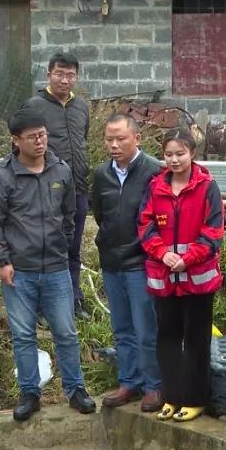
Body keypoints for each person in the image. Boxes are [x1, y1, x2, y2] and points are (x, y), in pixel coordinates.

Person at [0, 108, 95, 421]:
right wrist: (2, 260)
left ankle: (75, 389)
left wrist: (63, 245)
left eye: (43, 135)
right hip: (19, 271)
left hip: (56, 268)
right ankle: (29, 392)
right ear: (16, 140)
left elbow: (70, 215)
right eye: (32, 137)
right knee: (23, 335)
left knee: (66, 332)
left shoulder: (61, 171)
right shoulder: (2, 177)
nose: (40, 141)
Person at [138, 128, 224, 423]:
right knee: (167, 338)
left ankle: (195, 399)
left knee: (197, 340)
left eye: (180, 154)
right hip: (165, 278)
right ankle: (171, 396)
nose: (174, 160)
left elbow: (213, 232)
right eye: (169, 155)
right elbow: (145, 225)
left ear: (192, 154)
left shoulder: (207, 187)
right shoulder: (155, 186)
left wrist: (187, 259)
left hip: (197, 279)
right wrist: (162, 253)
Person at [91, 114, 164, 413]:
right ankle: (129, 381)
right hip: (111, 261)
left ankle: (153, 385)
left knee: (146, 328)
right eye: (109, 139)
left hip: (141, 261)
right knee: (122, 327)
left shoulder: (154, 171)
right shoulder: (101, 174)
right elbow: (100, 214)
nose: (114, 145)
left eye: (121, 138)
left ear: (137, 138)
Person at [22, 52, 92, 320]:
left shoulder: (81, 107)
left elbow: (83, 141)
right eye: (60, 74)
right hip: (46, 191)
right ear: (49, 74)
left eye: (70, 75)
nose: (65, 80)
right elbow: (22, 147)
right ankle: (42, 307)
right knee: (47, 248)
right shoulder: (34, 106)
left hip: (78, 190)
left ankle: (74, 299)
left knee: (73, 248)